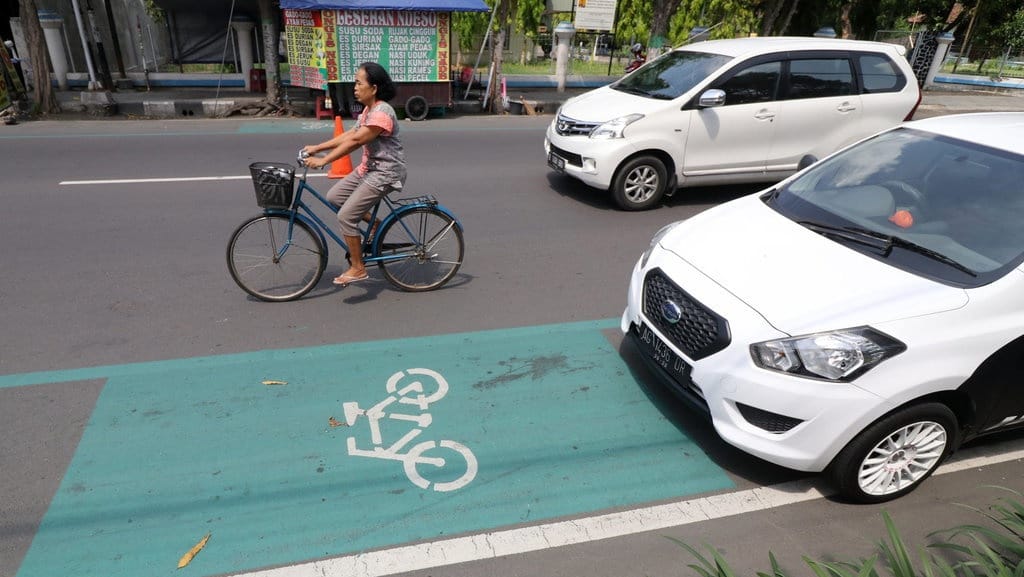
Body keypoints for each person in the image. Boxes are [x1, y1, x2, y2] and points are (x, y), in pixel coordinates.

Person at [303, 62, 407, 287]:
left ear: (374, 87)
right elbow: (351, 133)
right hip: (368, 169)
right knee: (335, 197)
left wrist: (323, 161)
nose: (355, 87)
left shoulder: (382, 113)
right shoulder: (369, 110)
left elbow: (356, 141)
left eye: (359, 83)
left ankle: (358, 268)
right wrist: (317, 147)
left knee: (346, 217)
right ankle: (377, 225)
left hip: (385, 173)